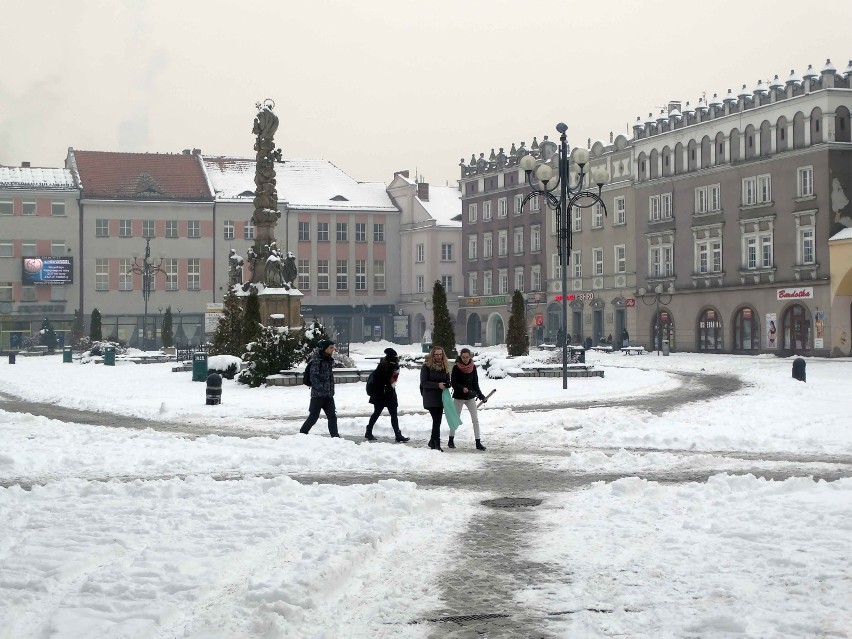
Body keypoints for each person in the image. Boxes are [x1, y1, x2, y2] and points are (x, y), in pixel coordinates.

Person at [365, 347, 410, 443]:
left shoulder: (386, 365)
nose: (396, 359)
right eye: (394, 357)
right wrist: (390, 368)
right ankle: (368, 431)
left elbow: (392, 381)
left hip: (388, 393)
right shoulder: (382, 366)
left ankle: (398, 434)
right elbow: (388, 380)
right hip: (381, 393)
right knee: (378, 412)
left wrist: (392, 367)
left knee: (393, 414)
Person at [299, 339, 339, 437]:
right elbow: (314, 378)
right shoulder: (317, 361)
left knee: (332, 417)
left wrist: (330, 390)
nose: (333, 349)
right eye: (331, 347)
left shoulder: (328, 360)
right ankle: (302, 434)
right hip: (318, 395)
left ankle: (335, 437)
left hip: (328, 395)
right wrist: (322, 389)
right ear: (325, 348)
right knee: (313, 416)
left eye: (333, 347)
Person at [449, 348, 487, 451]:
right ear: (460, 357)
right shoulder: (456, 367)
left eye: (467, 357)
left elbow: (475, 384)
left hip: (470, 397)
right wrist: (462, 388)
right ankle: (451, 440)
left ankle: (478, 442)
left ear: (470, 357)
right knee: (455, 419)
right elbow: (454, 383)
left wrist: (481, 396)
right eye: (463, 357)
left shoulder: (473, 367)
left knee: (475, 420)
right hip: (459, 397)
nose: (465, 359)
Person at [420, 345, 451, 451]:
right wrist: (437, 385)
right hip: (430, 397)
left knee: (437, 421)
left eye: (440, 354)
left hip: (441, 397)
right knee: (437, 420)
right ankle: (436, 444)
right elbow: (423, 382)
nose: (438, 356)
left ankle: (432, 442)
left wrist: (447, 384)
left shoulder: (445, 366)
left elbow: (448, 379)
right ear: (432, 355)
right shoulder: (426, 366)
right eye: (436, 354)